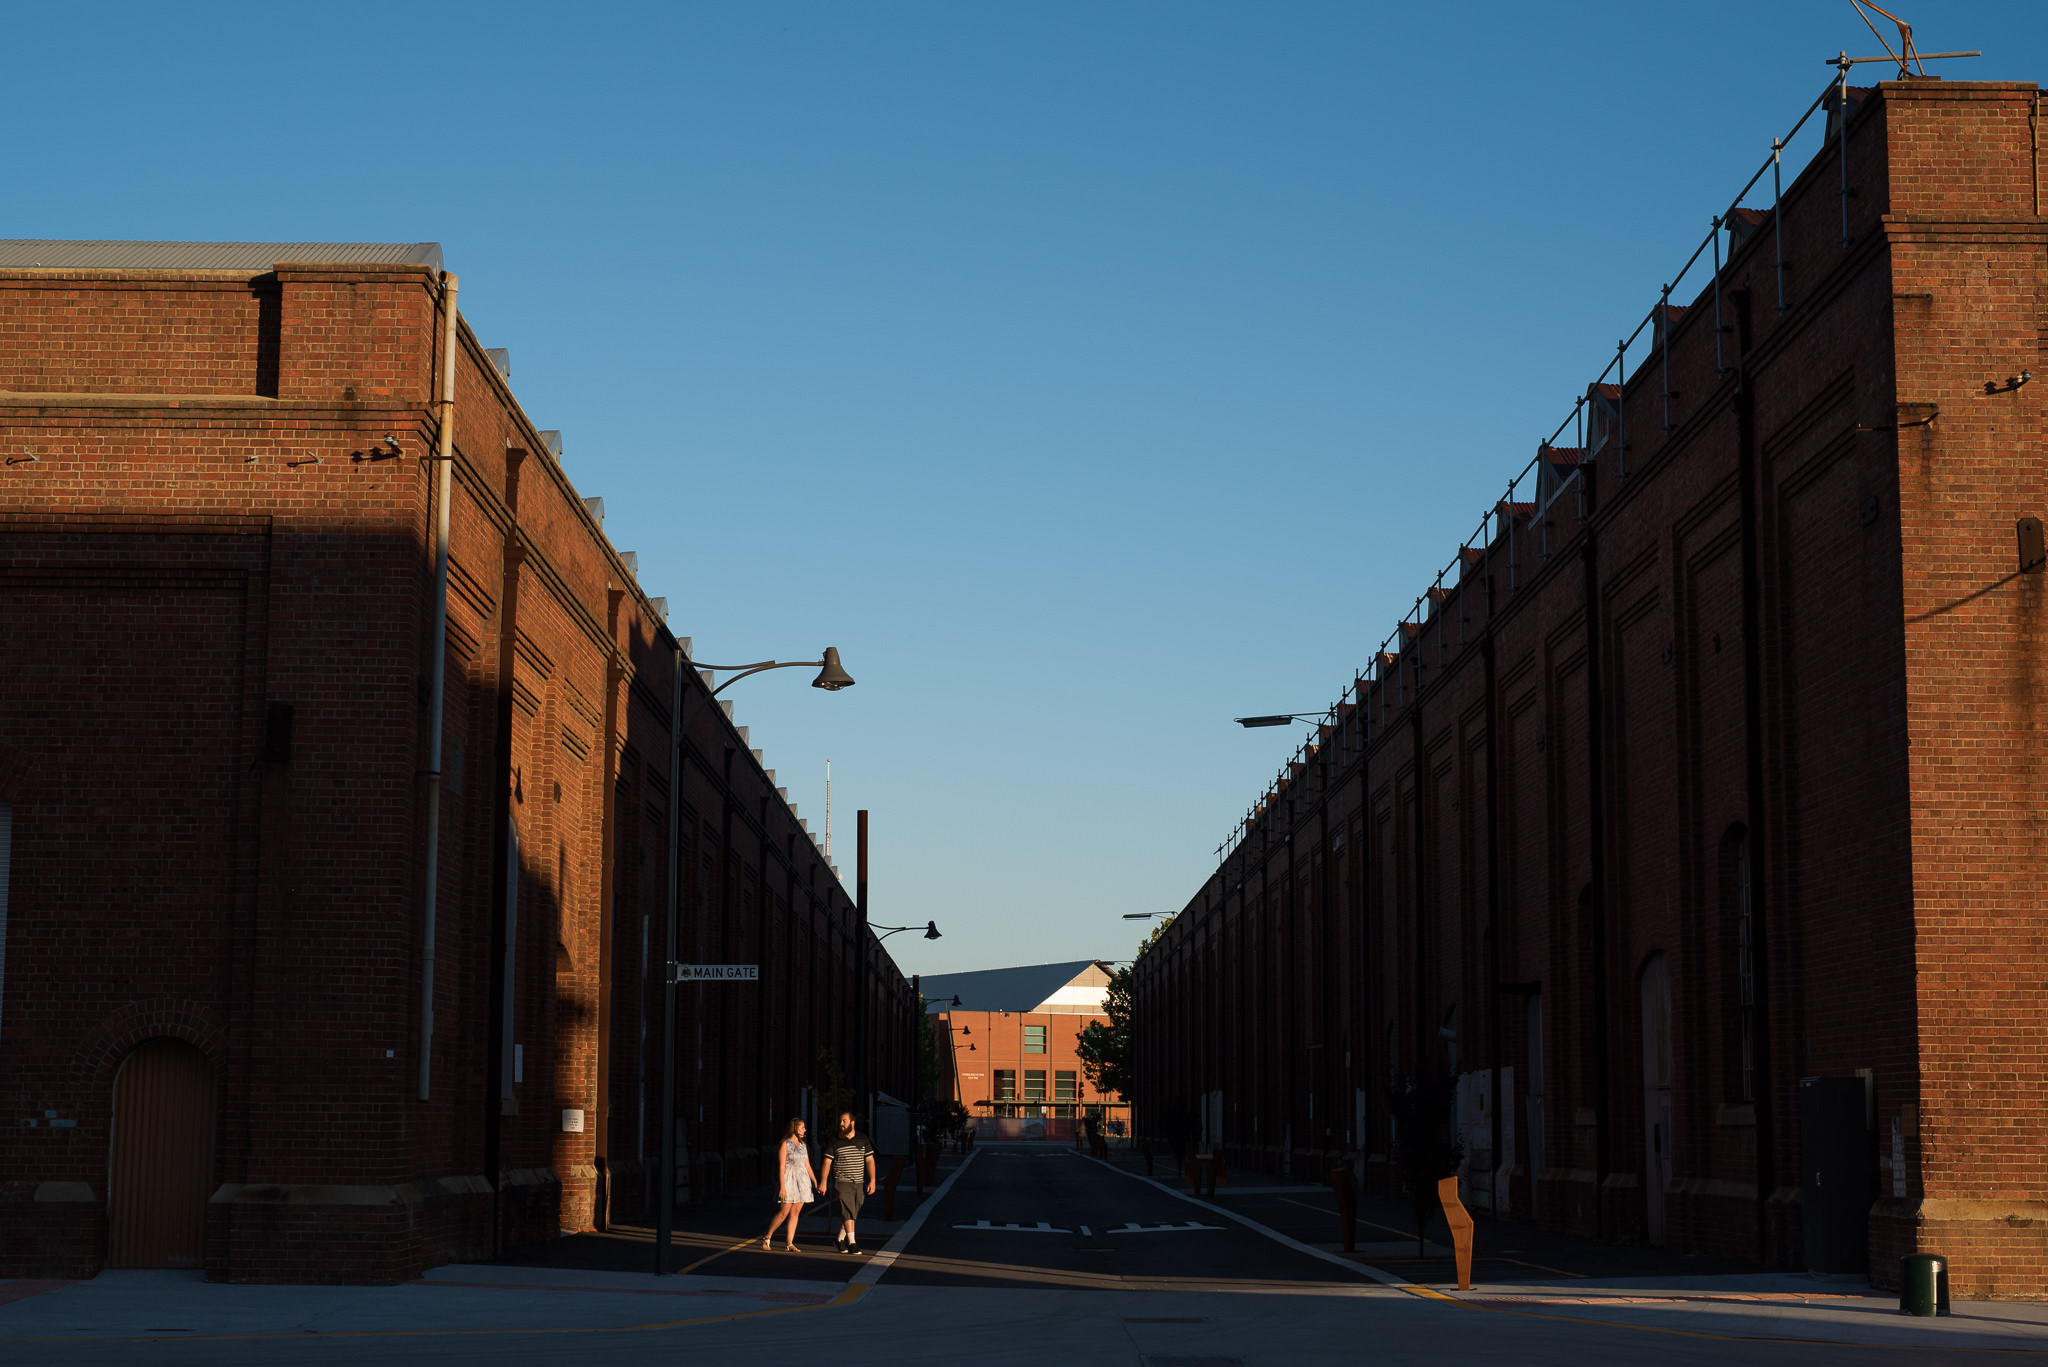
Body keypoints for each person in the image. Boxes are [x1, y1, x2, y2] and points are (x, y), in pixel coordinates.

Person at [818, 1110, 876, 1254]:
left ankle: (839, 1241)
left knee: (852, 1213)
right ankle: (852, 1243)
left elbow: (869, 1160)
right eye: (840, 1121)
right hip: (842, 1181)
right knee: (848, 1210)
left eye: (844, 1121)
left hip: (859, 1182)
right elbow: (827, 1162)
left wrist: (873, 1180)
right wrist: (823, 1182)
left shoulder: (863, 1139)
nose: (841, 1124)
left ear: (852, 1123)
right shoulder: (834, 1140)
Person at [762, 1117, 817, 1252]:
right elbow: (781, 1167)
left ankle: (789, 1243)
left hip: (802, 1181)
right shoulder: (785, 1144)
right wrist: (782, 1186)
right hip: (788, 1180)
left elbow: (807, 1165)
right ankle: (767, 1236)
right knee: (784, 1211)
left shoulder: (803, 1145)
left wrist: (815, 1181)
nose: (804, 1130)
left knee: (796, 1212)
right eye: (802, 1127)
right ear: (795, 1128)